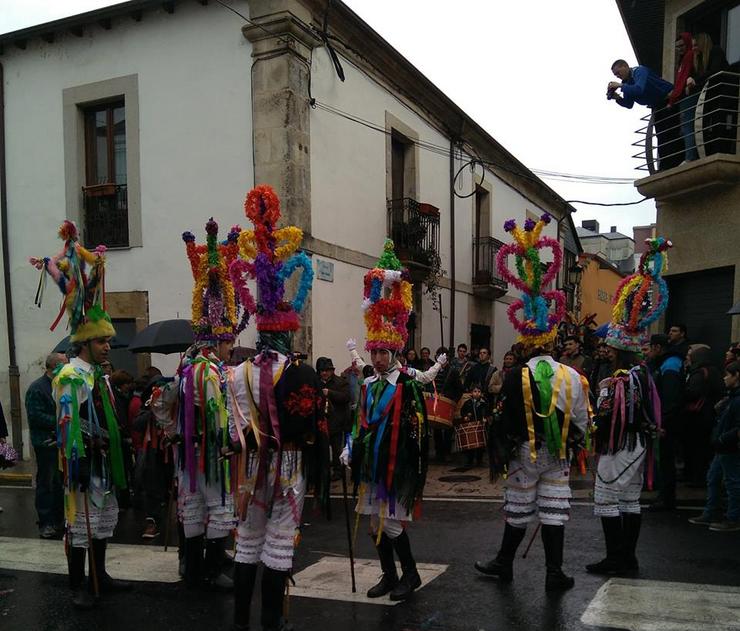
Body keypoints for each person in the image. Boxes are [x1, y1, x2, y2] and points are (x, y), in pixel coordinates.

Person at [226, 185, 326, 631]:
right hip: (286, 468)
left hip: (250, 468)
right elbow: (314, 428)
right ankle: (270, 621)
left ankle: (239, 620)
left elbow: (234, 428)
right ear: (287, 331)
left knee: (247, 541)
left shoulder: (235, 374)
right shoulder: (303, 375)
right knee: (278, 543)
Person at [474, 214, 589, 592]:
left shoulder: (515, 375)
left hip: (525, 452)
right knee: (554, 513)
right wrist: (572, 444)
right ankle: (554, 573)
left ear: (525, 340)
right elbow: (581, 421)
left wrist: (506, 450)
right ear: (554, 341)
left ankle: (504, 564)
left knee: (519, 510)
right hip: (558, 454)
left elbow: (506, 419)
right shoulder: (572, 376)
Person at [30, 221, 131, 610]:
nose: (109, 346)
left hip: (103, 460)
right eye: (103, 341)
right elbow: (69, 423)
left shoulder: (99, 375)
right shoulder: (72, 374)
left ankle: (100, 575)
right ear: (85, 342)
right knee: (79, 526)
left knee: (102, 522)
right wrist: (79, 457)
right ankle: (77, 586)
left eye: (108, 340)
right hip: (81, 462)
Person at [152, 218, 244, 592]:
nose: (230, 349)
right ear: (218, 341)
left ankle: (194, 567)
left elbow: (160, 402)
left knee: (193, 508)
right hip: (209, 453)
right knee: (217, 507)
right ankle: (208, 569)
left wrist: (172, 434)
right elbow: (216, 411)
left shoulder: (186, 367)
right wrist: (224, 438)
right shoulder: (209, 371)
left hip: (189, 453)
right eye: (228, 343)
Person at [342, 239, 430, 602]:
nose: (377, 358)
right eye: (374, 351)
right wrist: (350, 447)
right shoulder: (367, 385)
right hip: (369, 466)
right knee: (374, 524)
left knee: (392, 524)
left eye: (383, 352)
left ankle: (410, 575)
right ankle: (389, 575)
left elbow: (417, 431)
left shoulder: (407, 385)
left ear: (395, 351)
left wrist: (406, 463)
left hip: (395, 467)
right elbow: (358, 423)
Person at [586, 236, 670, 576]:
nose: (605, 351)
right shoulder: (644, 373)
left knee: (607, 499)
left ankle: (616, 558)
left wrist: (594, 430)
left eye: (608, 347)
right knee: (630, 500)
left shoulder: (621, 380)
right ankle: (627, 558)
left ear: (618, 349)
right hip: (639, 445)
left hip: (620, 445)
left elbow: (608, 418)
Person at [688, 361, 740, 531]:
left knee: (732, 483)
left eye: (728, 375)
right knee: (713, 478)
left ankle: (734, 518)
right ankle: (711, 512)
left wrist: (723, 439)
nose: (724, 378)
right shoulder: (732, 397)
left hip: (730, 447)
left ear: (737, 376)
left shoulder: (738, 400)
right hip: (722, 447)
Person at [609, 59, 682, 171]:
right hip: (657, 105)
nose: (618, 76)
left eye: (618, 72)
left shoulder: (640, 71)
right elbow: (629, 104)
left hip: (669, 99)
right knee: (661, 136)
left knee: (671, 132)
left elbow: (639, 89)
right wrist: (617, 98)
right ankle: (666, 166)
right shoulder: (627, 83)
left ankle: (676, 161)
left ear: (625, 66)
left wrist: (620, 86)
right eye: (615, 75)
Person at [25, 352, 68, 538]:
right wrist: (61, 420)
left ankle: (59, 520)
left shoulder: (62, 385)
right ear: (53, 366)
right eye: (64, 364)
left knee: (59, 484)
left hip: (60, 441)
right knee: (47, 483)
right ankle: (46, 522)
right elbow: (35, 416)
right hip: (45, 443)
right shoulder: (37, 388)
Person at [647, 333, 685, 510]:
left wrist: (663, 423)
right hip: (668, 421)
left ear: (657, 348)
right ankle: (665, 496)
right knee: (664, 460)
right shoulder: (666, 363)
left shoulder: (669, 365)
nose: (647, 353)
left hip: (669, 423)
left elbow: (670, 398)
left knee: (666, 461)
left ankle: (667, 498)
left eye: (649, 348)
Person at [683, 345, 725, 487]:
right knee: (705, 449)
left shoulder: (699, 372)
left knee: (697, 448)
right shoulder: (715, 371)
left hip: (698, 416)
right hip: (710, 415)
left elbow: (692, 393)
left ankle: (697, 478)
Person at [686, 33, 730, 157]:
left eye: (695, 45)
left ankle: (719, 151)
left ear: (702, 43)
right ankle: (710, 152)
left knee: (718, 121)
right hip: (712, 95)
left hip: (723, 93)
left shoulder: (715, 51)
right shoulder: (700, 60)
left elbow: (715, 71)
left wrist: (695, 80)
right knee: (706, 123)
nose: (693, 48)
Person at [316, 356, 351, 481]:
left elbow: (346, 397)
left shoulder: (340, 382)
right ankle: (322, 472)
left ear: (332, 370)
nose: (324, 373)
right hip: (321, 423)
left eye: (327, 370)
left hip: (337, 422)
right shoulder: (315, 382)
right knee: (321, 451)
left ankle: (338, 472)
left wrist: (329, 393)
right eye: (322, 370)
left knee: (337, 451)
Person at [670, 32, 698, 162]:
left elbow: (683, 80)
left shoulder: (689, 55)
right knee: (685, 127)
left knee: (688, 126)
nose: (679, 49)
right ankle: (689, 156)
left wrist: (672, 99)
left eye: (681, 45)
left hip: (690, 96)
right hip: (684, 97)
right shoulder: (684, 58)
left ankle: (690, 157)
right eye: (677, 47)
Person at [458, 384, 488, 467]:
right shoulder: (468, 403)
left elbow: (487, 412)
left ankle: (479, 460)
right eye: (475, 391)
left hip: (480, 425)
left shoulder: (483, 403)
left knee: (480, 446)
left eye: (479, 392)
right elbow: (462, 411)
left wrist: (485, 418)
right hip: (471, 426)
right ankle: (470, 460)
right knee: (470, 445)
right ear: (471, 393)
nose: (477, 393)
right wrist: (465, 417)